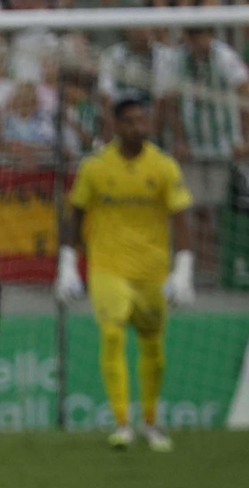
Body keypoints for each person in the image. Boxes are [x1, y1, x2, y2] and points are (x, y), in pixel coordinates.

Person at [56, 94, 193, 452]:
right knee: (112, 335)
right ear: (116, 125)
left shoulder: (163, 166)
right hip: (108, 268)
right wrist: (68, 264)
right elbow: (76, 215)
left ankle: (150, 423)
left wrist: (184, 270)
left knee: (153, 348)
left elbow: (181, 218)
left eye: (142, 120)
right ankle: (121, 424)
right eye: (130, 121)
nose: (138, 127)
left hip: (151, 271)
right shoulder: (96, 166)